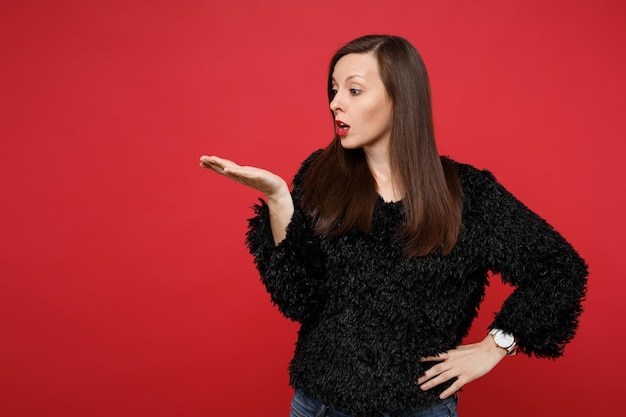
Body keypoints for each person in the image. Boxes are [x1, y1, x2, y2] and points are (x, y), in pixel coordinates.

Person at [199, 34, 588, 417]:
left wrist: (496, 345)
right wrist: (278, 198)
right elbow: (297, 299)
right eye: (333, 91)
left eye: (353, 91)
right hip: (318, 406)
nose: (335, 104)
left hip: (419, 410)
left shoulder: (468, 193)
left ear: (400, 97)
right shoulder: (321, 177)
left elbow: (558, 267)